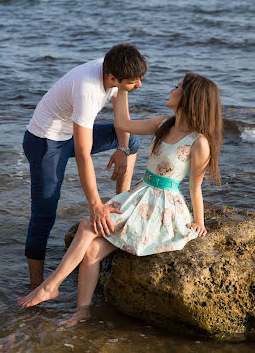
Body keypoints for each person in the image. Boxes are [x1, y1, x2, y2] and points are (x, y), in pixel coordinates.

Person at [18, 72, 223, 325]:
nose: (171, 89)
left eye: (177, 87)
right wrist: (122, 86)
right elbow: (123, 123)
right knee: (92, 250)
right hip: (139, 195)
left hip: (161, 208)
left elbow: (195, 187)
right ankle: (81, 314)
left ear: (190, 98)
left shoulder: (199, 142)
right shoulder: (163, 124)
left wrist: (198, 222)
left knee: (86, 225)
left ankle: (51, 286)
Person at [23, 43, 147, 286]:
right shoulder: (88, 90)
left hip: (68, 135)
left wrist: (122, 149)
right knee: (44, 213)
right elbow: (83, 154)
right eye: (134, 82)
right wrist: (95, 205)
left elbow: (123, 119)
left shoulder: (113, 69)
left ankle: (121, 204)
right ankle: (35, 285)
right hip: (44, 142)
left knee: (132, 139)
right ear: (113, 77)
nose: (139, 85)